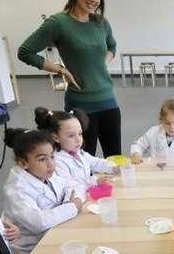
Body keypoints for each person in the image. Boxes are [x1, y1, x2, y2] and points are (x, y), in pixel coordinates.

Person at [18, 0, 122, 158]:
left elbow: (112, 46)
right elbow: (25, 51)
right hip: (81, 106)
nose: (94, 0)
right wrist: (61, 70)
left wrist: (102, 64)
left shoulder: (101, 23)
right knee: (82, 161)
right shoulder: (58, 23)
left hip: (108, 101)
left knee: (115, 159)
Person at [3, 128, 82, 254]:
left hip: (57, 232)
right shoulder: (17, 189)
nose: (51, 164)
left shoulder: (44, 172)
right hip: (32, 251)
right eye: (42, 159)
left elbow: (72, 185)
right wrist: (71, 207)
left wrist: (69, 203)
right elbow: (38, 222)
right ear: (23, 163)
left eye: (52, 156)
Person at [34, 107, 118, 193]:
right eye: (71, 136)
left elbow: (94, 162)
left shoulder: (78, 152)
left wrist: (113, 167)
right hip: (74, 200)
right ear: (55, 137)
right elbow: (69, 185)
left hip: (86, 195)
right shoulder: (57, 161)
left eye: (80, 133)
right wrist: (94, 181)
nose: (78, 139)